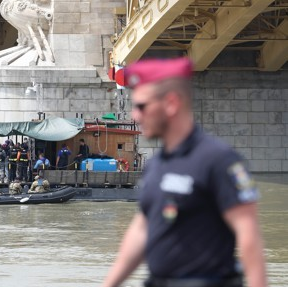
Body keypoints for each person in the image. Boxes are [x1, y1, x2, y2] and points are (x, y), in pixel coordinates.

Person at [102, 57, 266, 287]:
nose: (135, 116)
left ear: (170, 103)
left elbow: (249, 239)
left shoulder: (219, 160)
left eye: (141, 106)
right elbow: (142, 229)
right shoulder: (156, 165)